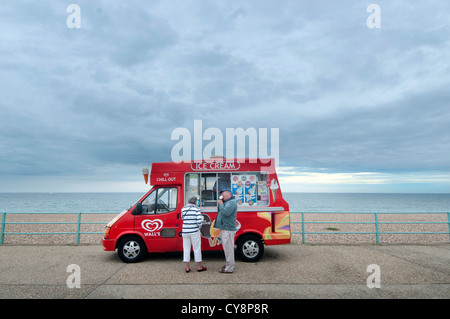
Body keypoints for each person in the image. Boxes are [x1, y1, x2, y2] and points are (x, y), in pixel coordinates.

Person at [181, 197, 207, 273]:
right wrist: (198, 227)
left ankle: (187, 267)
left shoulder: (183, 209)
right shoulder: (196, 209)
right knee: (197, 248)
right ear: (195, 202)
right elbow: (199, 221)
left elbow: (183, 218)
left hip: (185, 232)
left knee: (186, 249)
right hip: (194, 231)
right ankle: (199, 267)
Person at [215, 188, 238, 273]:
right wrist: (220, 203)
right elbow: (220, 211)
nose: (222, 195)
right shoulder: (227, 202)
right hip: (225, 228)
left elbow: (226, 212)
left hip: (228, 229)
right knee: (227, 248)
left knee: (228, 249)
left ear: (229, 194)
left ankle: (229, 268)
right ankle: (228, 265)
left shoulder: (232, 202)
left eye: (223, 193)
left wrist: (221, 204)